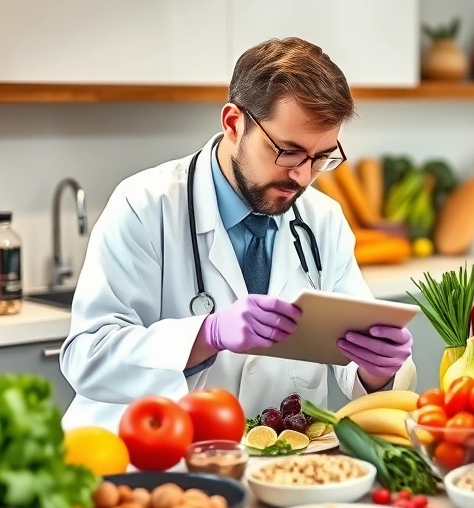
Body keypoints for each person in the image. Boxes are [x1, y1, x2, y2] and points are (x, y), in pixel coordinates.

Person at [59, 37, 415, 432]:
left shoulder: (323, 220)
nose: (302, 176)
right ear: (233, 123)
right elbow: (86, 357)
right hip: (151, 463)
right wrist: (206, 334)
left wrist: (377, 369)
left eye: (321, 158)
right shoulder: (145, 205)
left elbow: (354, 361)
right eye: (288, 151)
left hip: (276, 464)